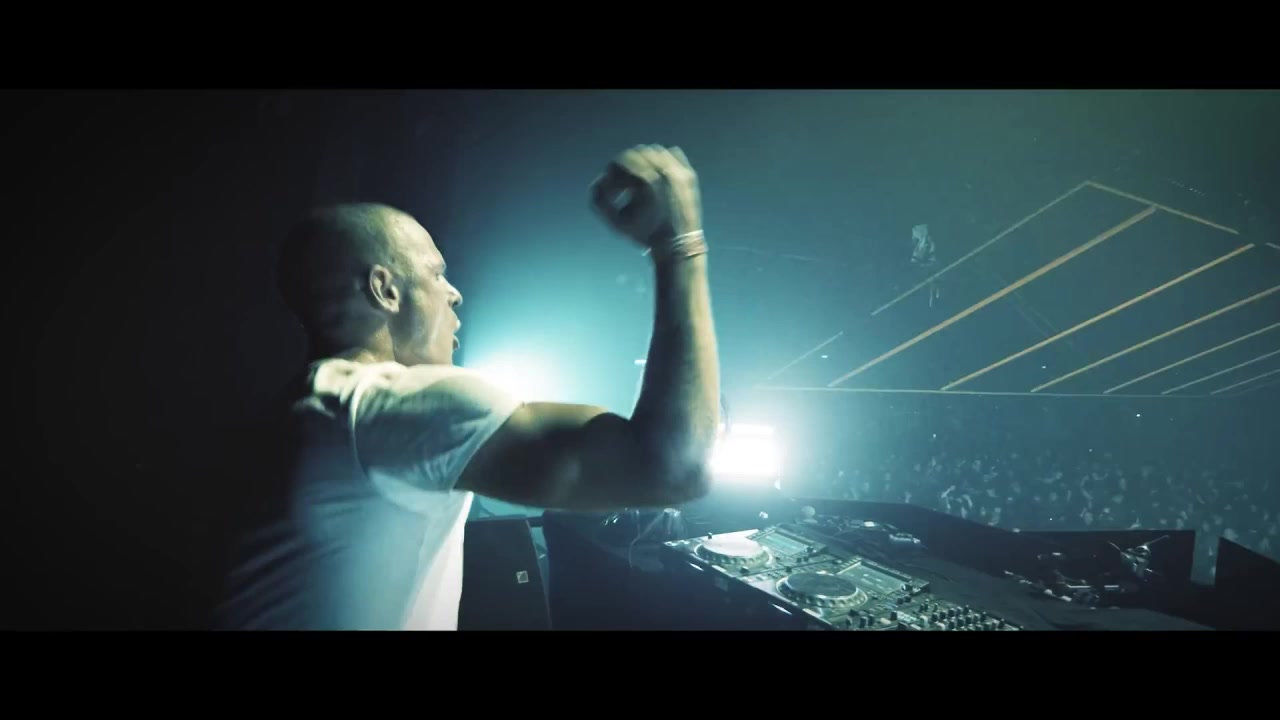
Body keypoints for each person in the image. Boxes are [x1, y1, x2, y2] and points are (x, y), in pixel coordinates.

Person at [217, 144, 720, 630]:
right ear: (385, 290)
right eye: (436, 274)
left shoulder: (308, 408)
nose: (454, 293)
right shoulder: (383, 404)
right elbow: (672, 469)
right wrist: (678, 247)